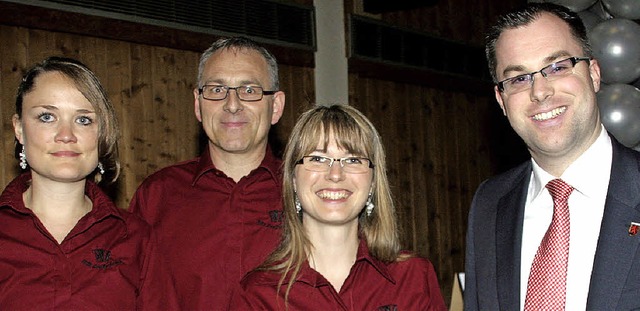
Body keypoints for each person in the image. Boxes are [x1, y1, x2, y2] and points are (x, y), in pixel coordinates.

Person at [465, 3, 640, 311]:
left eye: (558, 67)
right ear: (501, 100)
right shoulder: (490, 204)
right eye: (519, 78)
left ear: (595, 74)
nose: (539, 91)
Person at [0, 56, 176, 310]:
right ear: (19, 128)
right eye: (47, 117)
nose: (66, 135)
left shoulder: (137, 238)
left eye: (83, 120)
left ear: (101, 133)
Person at [231, 104, 447, 310]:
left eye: (353, 160)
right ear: (293, 180)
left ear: (372, 183)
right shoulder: (257, 293)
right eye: (317, 158)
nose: (335, 174)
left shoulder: (414, 277)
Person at [129, 37, 286, 309]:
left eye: (249, 90)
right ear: (198, 104)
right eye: (216, 89)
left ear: (276, 106)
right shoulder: (157, 196)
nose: (232, 104)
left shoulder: (307, 192)